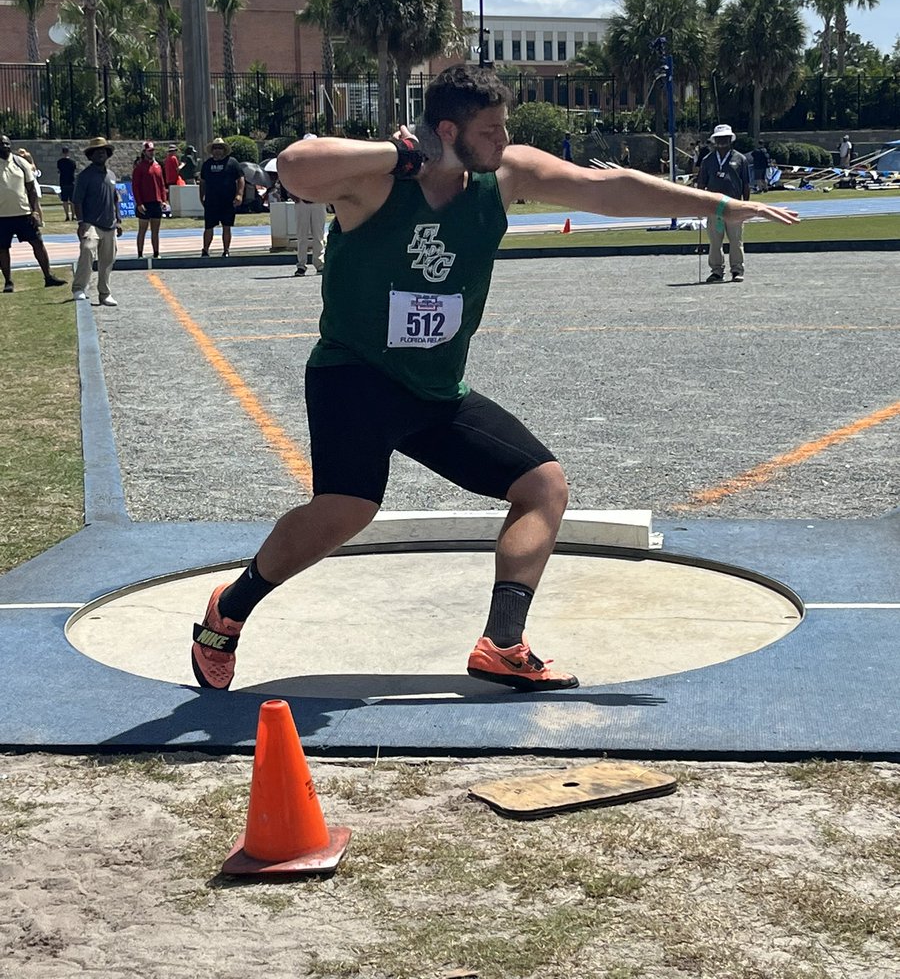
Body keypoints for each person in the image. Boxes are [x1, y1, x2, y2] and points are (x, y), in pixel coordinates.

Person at [190, 63, 799, 694]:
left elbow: (606, 189)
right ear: (448, 130)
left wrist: (721, 203)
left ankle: (502, 643)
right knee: (346, 510)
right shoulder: (377, 181)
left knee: (542, 486)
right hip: (356, 376)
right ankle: (226, 613)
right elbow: (293, 167)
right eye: (493, 128)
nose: (505, 139)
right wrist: (396, 151)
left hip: (436, 387)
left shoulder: (504, 175)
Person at [0, 134, 66, 293]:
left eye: (7, 143)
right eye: (1, 144)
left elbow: (31, 190)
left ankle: (48, 277)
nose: (5, 146)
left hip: (24, 213)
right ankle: (8, 282)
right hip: (2, 216)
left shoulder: (20, 162)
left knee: (38, 244)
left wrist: (35, 211)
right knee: (2, 249)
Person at [697, 124, 751, 283]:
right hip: (714, 206)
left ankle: (737, 270)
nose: (722, 141)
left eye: (725, 138)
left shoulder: (740, 159)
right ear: (714, 141)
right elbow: (701, 185)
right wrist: (700, 205)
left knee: (736, 240)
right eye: (719, 138)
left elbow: (745, 184)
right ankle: (716, 271)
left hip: (734, 206)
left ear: (730, 139)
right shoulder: (708, 160)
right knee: (715, 241)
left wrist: (745, 206)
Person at [72, 136, 122, 306]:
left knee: (107, 260)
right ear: (91, 155)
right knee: (87, 250)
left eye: (103, 151)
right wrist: (81, 222)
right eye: (96, 151)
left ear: (107, 154)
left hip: (110, 224)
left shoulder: (112, 175)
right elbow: (77, 200)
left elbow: (116, 198)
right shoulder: (84, 176)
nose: (100, 154)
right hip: (91, 223)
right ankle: (79, 288)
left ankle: (104, 293)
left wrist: (119, 220)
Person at [199, 138, 244, 258]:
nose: (217, 151)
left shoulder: (232, 162)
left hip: (227, 200)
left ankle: (226, 250)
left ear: (224, 150)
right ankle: (205, 250)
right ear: (212, 150)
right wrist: (201, 196)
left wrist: (239, 194)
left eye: (220, 148)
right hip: (211, 200)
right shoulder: (207, 164)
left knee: (227, 226)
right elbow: (202, 182)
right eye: (215, 148)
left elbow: (240, 179)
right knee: (208, 226)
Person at [294, 132, 326, 276]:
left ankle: (319, 263)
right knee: (302, 235)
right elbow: (290, 179)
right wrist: (293, 194)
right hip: (302, 202)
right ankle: (301, 264)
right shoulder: (298, 162)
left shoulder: (323, 162)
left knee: (318, 234)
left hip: (318, 201)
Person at [131, 141, 166, 259]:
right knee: (142, 229)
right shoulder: (139, 167)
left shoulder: (157, 166)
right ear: (144, 152)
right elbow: (135, 186)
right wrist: (139, 203)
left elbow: (161, 185)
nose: (151, 153)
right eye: (149, 151)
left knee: (155, 230)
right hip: (145, 202)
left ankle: (156, 253)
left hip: (156, 201)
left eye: (152, 151)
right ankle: (140, 253)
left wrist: (164, 200)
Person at [57, 146, 77, 221]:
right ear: (68, 152)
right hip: (71, 182)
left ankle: (67, 216)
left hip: (63, 182)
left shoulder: (59, 162)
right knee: (72, 200)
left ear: (62, 153)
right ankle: (73, 216)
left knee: (65, 200)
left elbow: (59, 170)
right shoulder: (72, 162)